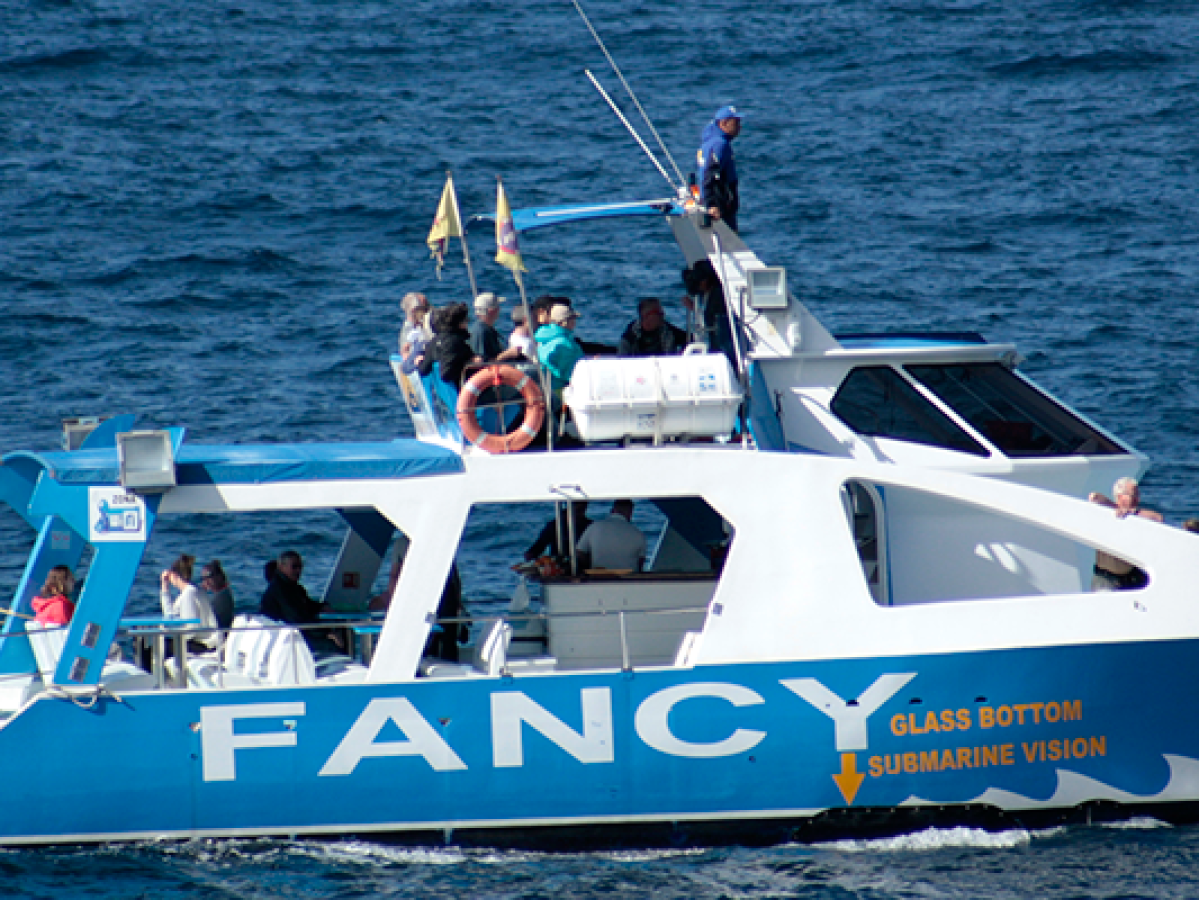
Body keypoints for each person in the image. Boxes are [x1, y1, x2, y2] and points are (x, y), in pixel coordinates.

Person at [260, 550, 342, 654]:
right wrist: (326, 632)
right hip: (286, 638)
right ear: (281, 567)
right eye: (294, 567)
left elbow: (307, 605)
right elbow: (297, 618)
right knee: (331, 645)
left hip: (294, 633)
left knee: (336, 636)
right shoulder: (280, 590)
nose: (298, 571)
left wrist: (322, 607)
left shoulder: (293, 588)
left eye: (300, 567)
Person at [1088, 477, 1162, 591]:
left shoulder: (1136, 517)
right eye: (1133, 496)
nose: (1137, 500)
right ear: (1119, 496)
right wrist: (1116, 507)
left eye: (1137, 496)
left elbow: (1158, 518)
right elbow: (1094, 497)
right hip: (1107, 579)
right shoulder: (1105, 512)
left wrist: (1132, 512)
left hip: (1131, 577)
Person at [160, 554, 219, 653]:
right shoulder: (191, 590)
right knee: (161, 644)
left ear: (174, 575)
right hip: (201, 641)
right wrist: (164, 587)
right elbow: (170, 616)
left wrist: (173, 633)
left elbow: (191, 629)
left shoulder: (188, 594)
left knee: (158, 647)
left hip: (204, 644)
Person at [697, 105, 742, 231]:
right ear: (724, 123)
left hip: (722, 207)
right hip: (720, 210)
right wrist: (711, 205)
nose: (740, 127)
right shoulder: (719, 144)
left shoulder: (711, 141)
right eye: (736, 123)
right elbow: (709, 174)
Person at [417, 302, 481, 386]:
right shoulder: (455, 342)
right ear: (459, 323)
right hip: (464, 391)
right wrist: (469, 362)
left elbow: (423, 370)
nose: (467, 322)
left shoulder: (434, 341)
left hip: (446, 397)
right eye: (466, 320)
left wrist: (419, 361)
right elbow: (446, 374)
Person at [682, 259, 733, 362]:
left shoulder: (718, 295)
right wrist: (693, 307)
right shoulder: (705, 295)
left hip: (721, 341)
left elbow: (712, 319)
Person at [576, 499, 647, 572]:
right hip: (627, 580)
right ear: (630, 513)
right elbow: (640, 564)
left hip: (599, 578)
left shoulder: (594, 527)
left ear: (612, 510)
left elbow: (580, 552)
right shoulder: (638, 534)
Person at [535, 303, 585, 392]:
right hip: (559, 391)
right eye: (572, 319)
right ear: (563, 322)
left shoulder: (543, 339)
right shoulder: (564, 344)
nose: (575, 322)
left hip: (545, 389)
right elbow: (573, 374)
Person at [618, 297, 690, 357]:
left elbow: (691, 340)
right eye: (659, 313)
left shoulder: (669, 331)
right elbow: (623, 359)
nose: (663, 315)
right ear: (646, 316)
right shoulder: (630, 336)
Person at [524, 501, 592, 562]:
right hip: (558, 565)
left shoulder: (588, 525)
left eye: (582, 508)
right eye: (578, 509)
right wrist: (532, 553)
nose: (580, 511)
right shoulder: (556, 524)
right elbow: (541, 543)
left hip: (583, 565)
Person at [467, 292, 523, 363]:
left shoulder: (486, 328)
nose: (499, 309)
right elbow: (481, 362)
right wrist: (507, 354)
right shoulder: (480, 331)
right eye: (498, 307)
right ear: (492, 311)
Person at [399, 292, 432, 373]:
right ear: (415, 310)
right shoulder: (413, 333)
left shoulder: (407, 329)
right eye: (426, 306)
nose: (430, 308)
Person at [200, 559, 235, 631]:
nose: (206, 581)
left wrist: (200, 594)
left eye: (209, 576)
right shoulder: (224, 592)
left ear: (219, 576)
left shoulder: (222, 596)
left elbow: (205, 619)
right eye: (203, 578)